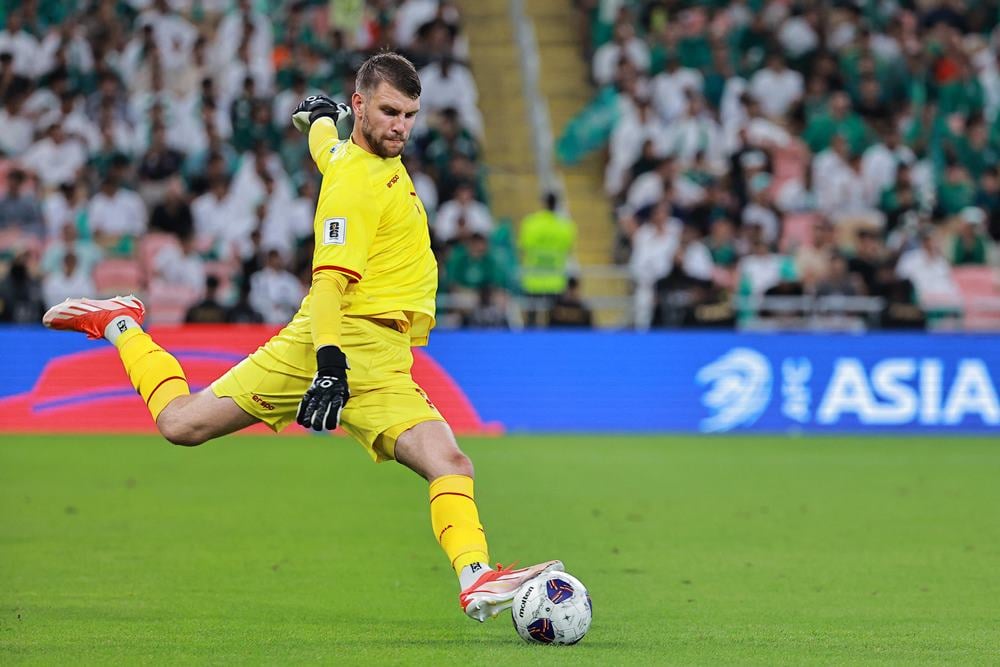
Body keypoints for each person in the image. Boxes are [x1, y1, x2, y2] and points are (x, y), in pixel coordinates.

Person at [42, 51, 559, 623]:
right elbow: (331, 285)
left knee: (452, 464)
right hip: (330, 340)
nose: (401, 127)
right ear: (360, 105)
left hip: (386, 362)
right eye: (390, 112)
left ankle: (475, 577)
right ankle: (119, 323)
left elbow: (326, 146)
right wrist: (329, 366)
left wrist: (315, 117)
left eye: (411, 115)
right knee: (181, 425)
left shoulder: (352, 151)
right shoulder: (352, 187)